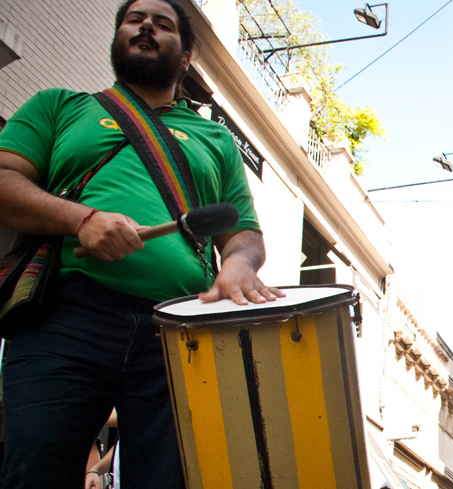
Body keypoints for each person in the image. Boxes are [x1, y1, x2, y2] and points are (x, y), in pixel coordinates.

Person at [0, 0, 281, 487]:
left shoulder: (215, 140)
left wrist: (238, 263)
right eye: (134, 19)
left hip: (178, 332)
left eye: (163, 23)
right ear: (118, 38)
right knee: (35, 472)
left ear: (187, 56)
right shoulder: (60, 106)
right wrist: (81, 218)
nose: (146, 25)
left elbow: (244, 234)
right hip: (64, 314)